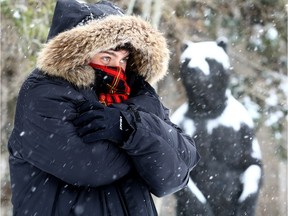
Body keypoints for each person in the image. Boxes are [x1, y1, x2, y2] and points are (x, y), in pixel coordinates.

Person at [7, 0, 200, 215]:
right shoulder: (43, 92)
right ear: (79, 55)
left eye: (124, 59)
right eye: (106, 57)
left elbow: (175, 173)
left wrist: (128, 129)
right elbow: (95, 167)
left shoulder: (139, 95)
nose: (117, 68)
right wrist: (149, 146)